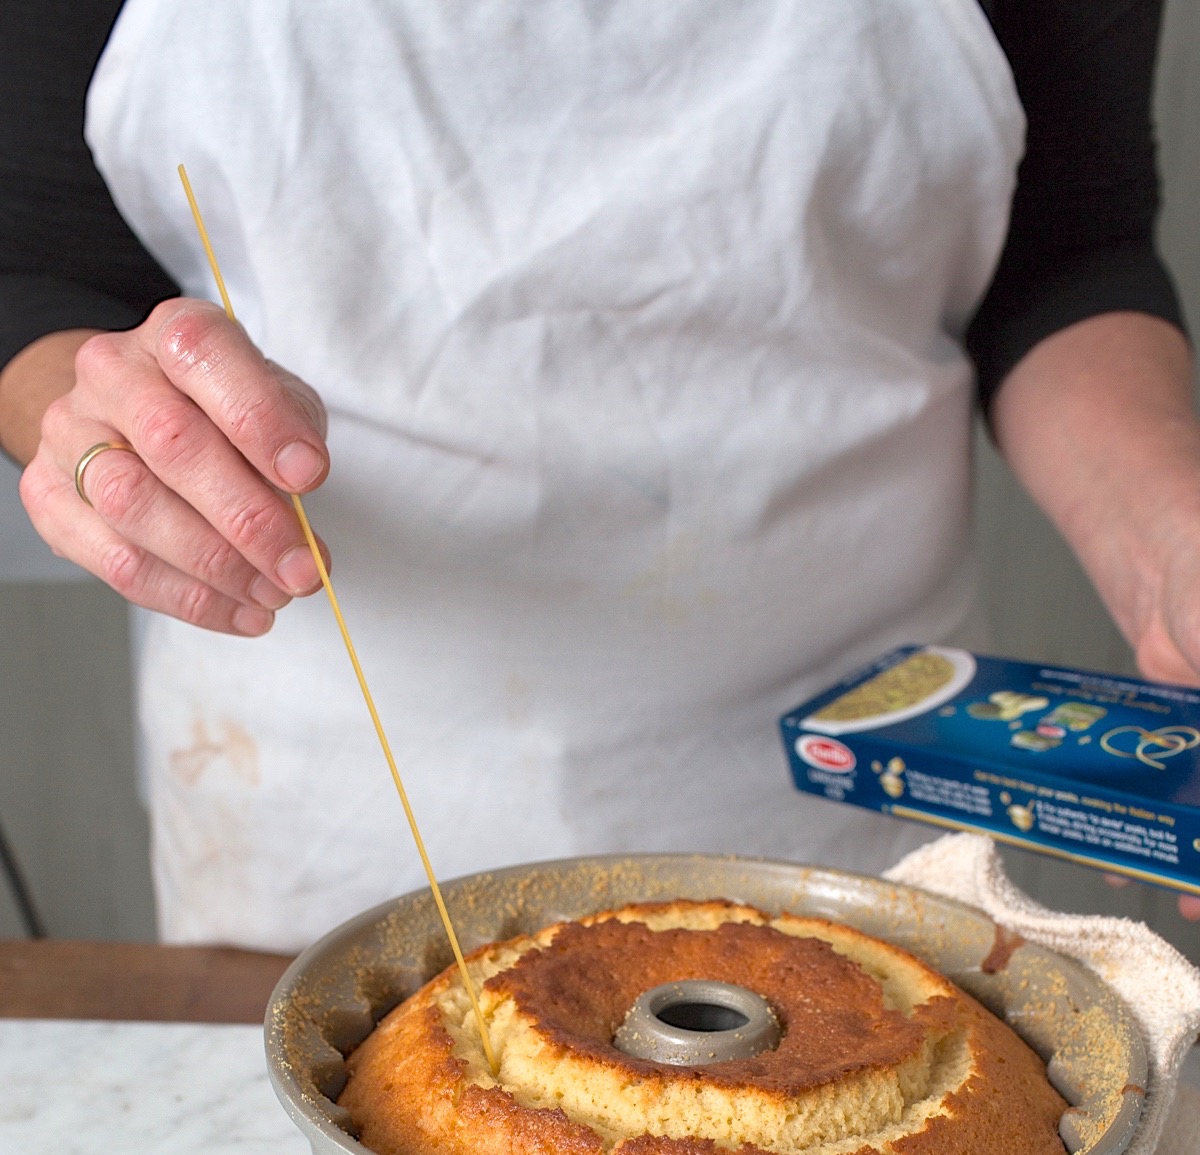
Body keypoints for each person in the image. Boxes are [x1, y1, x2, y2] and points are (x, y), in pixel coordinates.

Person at [1, 0, 1197, 951]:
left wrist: (1170, 546)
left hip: (860, 828)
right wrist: (105, 426)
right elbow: (40, 263)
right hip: (321, 846)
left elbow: (1066, 249)